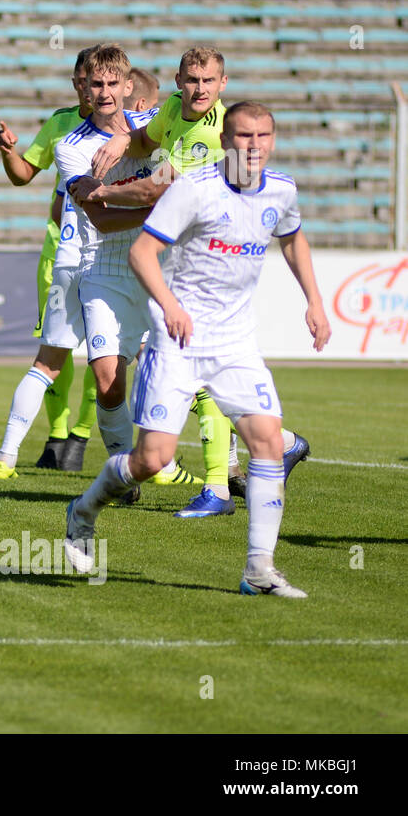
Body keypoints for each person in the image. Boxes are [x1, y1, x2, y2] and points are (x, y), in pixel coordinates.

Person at [63, 102, 331, 597]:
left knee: (269, 442)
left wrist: (314, 301)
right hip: (178, 340)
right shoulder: (193, 189)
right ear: (226, 140)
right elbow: (145, 251)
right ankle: (83, 510)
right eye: (244, 136)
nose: (254, 145)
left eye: (263, 136)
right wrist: (169, 305)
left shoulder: (282, 190)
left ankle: (258, 569)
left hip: (234, 343)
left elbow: (293, 239)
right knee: (151, 459)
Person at [80, 48, 309, 516]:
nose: (200, 89)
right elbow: (147, 142)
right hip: (175, 263)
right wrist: (125, 142)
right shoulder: (171, 111)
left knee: (202, 380)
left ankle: (218, 490)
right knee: (208, 385)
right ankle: (276, 447)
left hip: (205, 269)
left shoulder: (216, 131)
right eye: (192, 80)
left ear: (222, 83)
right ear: (178, 81)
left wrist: (101, 191)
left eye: (209, 80)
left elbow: (160, 187)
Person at [0, 59, 181, 480]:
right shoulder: (68, 142)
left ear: (129, 86)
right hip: (94, 263)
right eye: (95, 84)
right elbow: (96, 215)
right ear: (83, 87)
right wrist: (163, 206)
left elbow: (187, 143)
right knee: (101, 373)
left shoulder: (154, 124)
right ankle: (125, 469)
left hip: (158, 266)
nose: (104, 91)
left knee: (174, 363)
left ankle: (217, 470)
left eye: (113, 83)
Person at [0, 47, 100, 475]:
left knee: (102, 355)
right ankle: (59, 436)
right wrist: (7, 152)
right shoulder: (60, 124)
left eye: (103, 81)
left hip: (93, 252)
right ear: (77, 84)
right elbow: (23, 174)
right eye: (85, 81)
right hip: (63, 254)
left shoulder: (131, 128)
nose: (92, 89)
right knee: (64, 353)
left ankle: (82, 434)